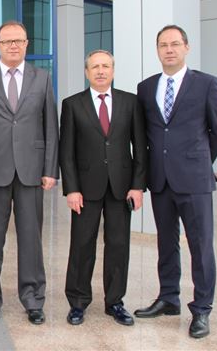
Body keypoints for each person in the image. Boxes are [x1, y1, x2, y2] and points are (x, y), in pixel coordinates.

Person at [134, 25, 217, 338]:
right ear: (157, 50)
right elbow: (146, 133)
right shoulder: (146, 87)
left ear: (186, 47)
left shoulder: (206, 84)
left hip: (195, 180)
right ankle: (168, 298)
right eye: (163, 45)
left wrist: (198, 159)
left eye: (175, 44)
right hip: (161, 180)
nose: (169, 50)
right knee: (166, 242)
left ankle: (201, 309)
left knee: (200, 245)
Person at [0, 21, 59, 325]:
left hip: (31, 170)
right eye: (7, 41)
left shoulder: (42, 78)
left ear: (26, 44)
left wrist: (50, 169)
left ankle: (33, 298)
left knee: (31, 239)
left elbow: (50, 126)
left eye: (18, 40)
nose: (13, 46)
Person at [59, 50, 147, 327]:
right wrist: (71, 189)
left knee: (119, 245)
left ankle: (115, 302)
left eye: (105, 66)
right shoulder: (72, 104)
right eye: (95, 67)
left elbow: (140, 147)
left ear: (113, 70)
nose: (100, 71)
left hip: (121, 187)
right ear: (87, 72)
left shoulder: (130, 102)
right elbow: (66, 152)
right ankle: (77, 302)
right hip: (85, 189)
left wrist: (137, 186)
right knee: (81, 245)